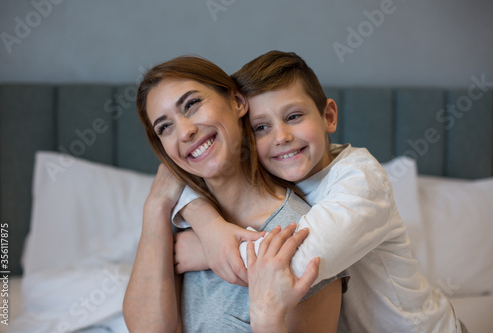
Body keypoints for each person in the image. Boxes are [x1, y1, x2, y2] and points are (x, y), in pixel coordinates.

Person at [171, 51, 467, 333]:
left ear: (328, 116)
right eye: (261, 127)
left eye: (294, 116)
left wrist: (209, 252)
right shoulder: (271, 172)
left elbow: (299, 261)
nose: (282, 137)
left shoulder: (360, 180)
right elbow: (195, 181)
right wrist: (207, 225)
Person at [122, 55, 348, 332]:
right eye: (164, 127)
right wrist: (156, 204)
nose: (184, 132)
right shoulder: (180, 217)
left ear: (237, 102)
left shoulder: (300, 235)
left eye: (192, 104)